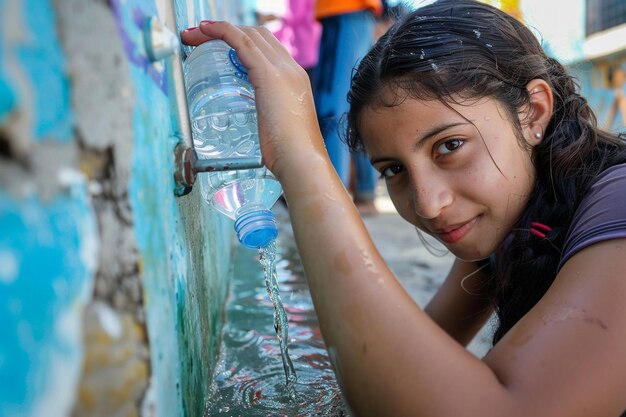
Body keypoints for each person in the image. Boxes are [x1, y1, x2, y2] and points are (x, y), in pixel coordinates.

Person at [181, 1, 626, 415]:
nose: (429, 204)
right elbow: (400, 369)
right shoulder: (515, 218)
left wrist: (301, 161)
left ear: (533, 111)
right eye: (393, 170)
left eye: (449, 146)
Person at [313, 0, 383, 216]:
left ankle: (335, 202)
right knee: (356, 104)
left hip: (342, 10)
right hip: (354, 13)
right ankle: (364, 193)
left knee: (332, 106)